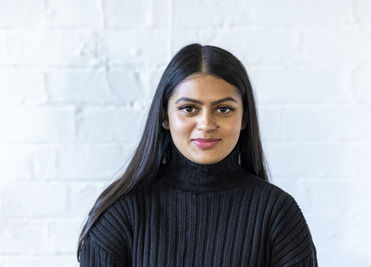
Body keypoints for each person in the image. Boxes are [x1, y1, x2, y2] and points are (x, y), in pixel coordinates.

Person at [77, 43, 318, 266]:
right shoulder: (122, 213)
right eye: (189, 109)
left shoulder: (276, 212)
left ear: (243, 117)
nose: (206, 124)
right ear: (165, 117)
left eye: (224, 109)